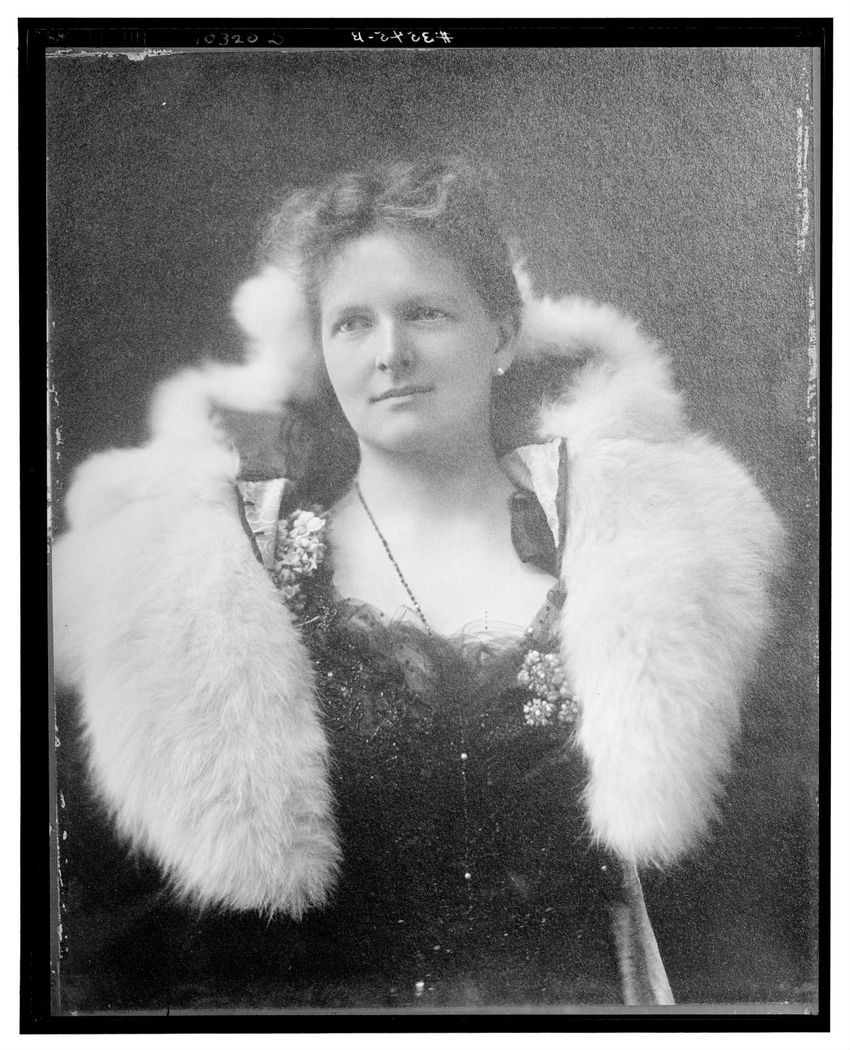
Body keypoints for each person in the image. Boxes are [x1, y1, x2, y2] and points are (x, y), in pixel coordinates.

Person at [52, 157, 784, 1011]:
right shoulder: (235, 574)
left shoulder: (645, 551)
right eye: (352, 323)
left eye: (426, 313)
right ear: (321, 352)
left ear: (502, 335)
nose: (390, 353)